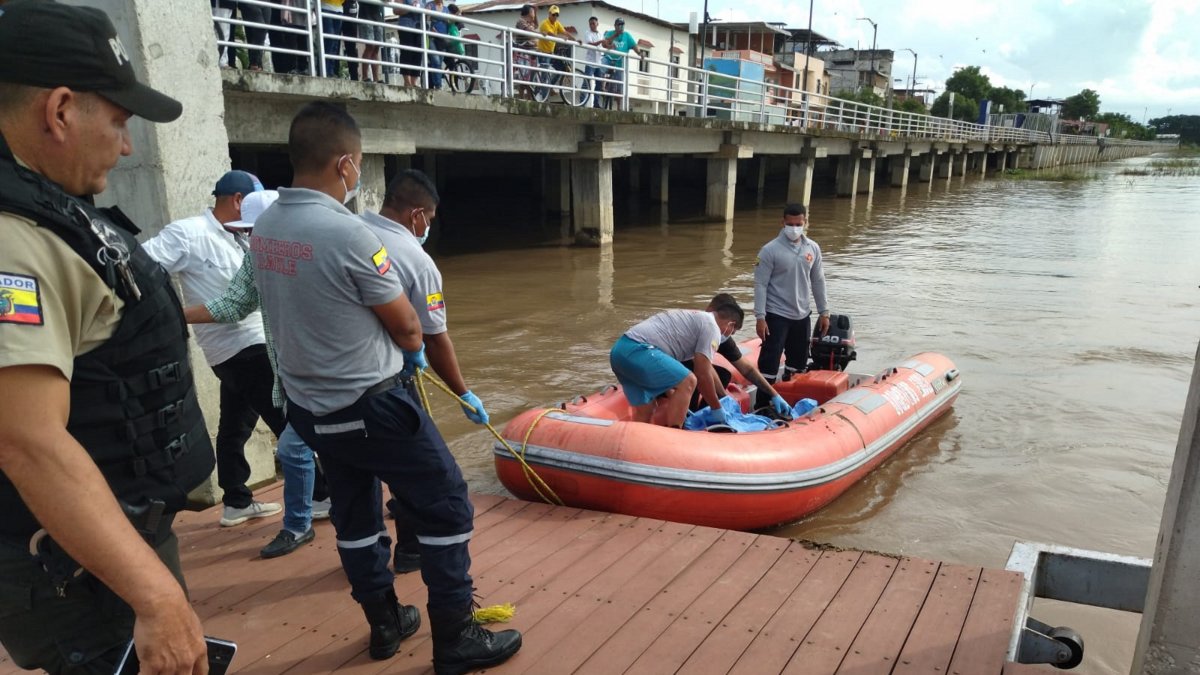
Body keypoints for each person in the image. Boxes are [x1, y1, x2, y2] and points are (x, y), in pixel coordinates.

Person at [252, 101, 521, 671]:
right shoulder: (349, 233)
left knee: (355, 516)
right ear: (346, 164)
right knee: (448, 506)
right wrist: (427, 361)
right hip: (372, 406)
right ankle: (455, 637)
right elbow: (406, 325)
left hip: (310, 409)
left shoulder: (266, 225)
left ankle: (384, 623)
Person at [0, 2, 214, 672]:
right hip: (84, 574)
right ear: (60, 110)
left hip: (105, 547)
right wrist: (154, 595)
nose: (127, 147)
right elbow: (25, 437)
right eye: (119, 121)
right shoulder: (15, 240)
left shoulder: (48, 214)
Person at [180, 190, 333, 559]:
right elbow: (233, 304)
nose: (249, 237)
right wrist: (173, 313)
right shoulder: (258, 256)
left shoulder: (319, 245)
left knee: (346, 438)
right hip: (288, 362)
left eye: (253, 229)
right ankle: (307, 515)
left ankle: (386, 513)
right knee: (296, 442)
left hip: (335, 359)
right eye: (246, 231)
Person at [360, 169, 491, 573]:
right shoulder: (417, 260)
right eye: (430, 221)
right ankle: (414, 552)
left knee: (358, 477)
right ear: (418, 215)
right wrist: (463, 392)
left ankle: (367, 558)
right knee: (428, 475)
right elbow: (434, 337)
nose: (428, 228)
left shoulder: (352, 231)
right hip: (390, 380)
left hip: (339, 381)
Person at [142, 171, 284, 529]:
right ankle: (320, 495)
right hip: (239, 348)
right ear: (237, 200)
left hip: (251, 346)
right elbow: (140, 269)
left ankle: (236, 500)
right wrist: (167, 316)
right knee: (289, 422)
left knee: (235, 425)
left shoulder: (247, 237)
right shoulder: (189, 234)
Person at [610, 303, 743, 428]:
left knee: (646, 409)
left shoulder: (695, 319)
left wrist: (721, 396)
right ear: (731, 324)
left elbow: (705, 367)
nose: (729, 335)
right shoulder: (712, 328)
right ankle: (675, 434)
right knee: (688, 381)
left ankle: (635, 444)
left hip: (619, 351)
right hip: (639, 349)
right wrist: (716, 408)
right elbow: (702, 374)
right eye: (732, 331)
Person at [754, 203, 830, 409]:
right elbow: (760, 284)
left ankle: (789, 399)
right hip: (776, 315)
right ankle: (762, 404)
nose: (794, 228)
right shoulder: (769, 250)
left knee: (798, 362)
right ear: (783, 222)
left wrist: (824, 311)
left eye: (799, 224)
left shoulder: (812, 248)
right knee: (769, 363)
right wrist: (760, 316)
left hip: (802, 315)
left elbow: (818, 280)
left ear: (805, 222)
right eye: (790, 224)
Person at [682, 294, 793, 416]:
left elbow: (747, 369)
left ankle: (704, 412)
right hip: (673, 360)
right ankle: (689, 415)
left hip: (684, 362)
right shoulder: (704, 326)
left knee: (723, 375)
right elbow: (702, 369)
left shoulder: (722, 334)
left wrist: (774, 394)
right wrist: (719, 404)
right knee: (695, 375)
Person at [599, 17, 638, 103]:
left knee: (620, 86)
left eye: (622, 25)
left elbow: (634, 46)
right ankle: (602, 86)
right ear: (615, 26)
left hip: (620, 63)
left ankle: (619, 106)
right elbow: (604, 44)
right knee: (601, 66)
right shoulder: (610, 33)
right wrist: (615, 35)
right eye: (619, 25)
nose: (621, 26)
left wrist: (640, 53)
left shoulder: (627, 35)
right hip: (609, 58)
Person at [536, 5, 580, 73]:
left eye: (557, 14)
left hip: (550, 52)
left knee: (561, 69)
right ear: (549, 14)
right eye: (553, 14)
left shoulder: (557, 23)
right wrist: (562, 38)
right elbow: (551, 35)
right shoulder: (545, 23)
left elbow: (564, 32)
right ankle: (541, 83)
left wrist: (575, 39)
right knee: (544, 74)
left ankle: (552, 83)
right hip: (543, 52)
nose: (555, 16)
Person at [582, 16, 605, 107]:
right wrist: (601, 41)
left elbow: (604, 44)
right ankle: (582, 102)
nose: (592, 25)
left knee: (599, 83)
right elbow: (590, 44)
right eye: (590, 24)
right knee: (586, 82)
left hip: (598, 62)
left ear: (597, 24)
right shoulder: (587, 33)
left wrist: (610, 46)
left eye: (593, 23)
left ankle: (596, 103)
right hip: (590, 62)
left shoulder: (600, 34)